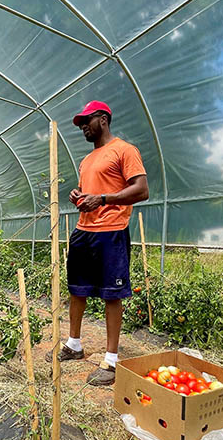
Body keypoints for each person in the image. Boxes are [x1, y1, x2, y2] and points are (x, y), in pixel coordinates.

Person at [47, 100, 149, 386]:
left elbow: (141, 190)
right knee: (76, 289)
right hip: (84, 230)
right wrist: (80, 195)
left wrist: (103, 199)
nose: (83, 129)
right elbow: (92, 193)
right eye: (80, 125)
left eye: (86, 122)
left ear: (103, 119)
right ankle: (74, 344)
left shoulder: (125, 150)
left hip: (111, 231)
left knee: (111, 295)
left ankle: (111, 360)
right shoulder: (87, 160)